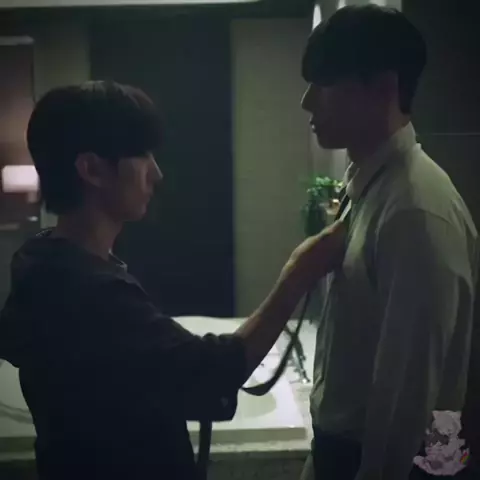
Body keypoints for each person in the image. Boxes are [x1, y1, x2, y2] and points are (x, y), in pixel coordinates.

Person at [0, 81, 345, 480]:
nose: (157, 173)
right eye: (141, 155)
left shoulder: (43, 261)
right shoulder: (87, 291)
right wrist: (300, 270)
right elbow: (211, 374)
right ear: (92, 169)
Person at [299, 5, 478, 480]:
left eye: (323, 84)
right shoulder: (372, 187)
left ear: (382, 88)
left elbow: (408, 400)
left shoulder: (414, 209)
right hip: (341, 451)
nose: (307, 102)